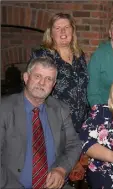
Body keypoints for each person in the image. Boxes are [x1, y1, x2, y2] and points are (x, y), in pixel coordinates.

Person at [0, 57, 82, 189]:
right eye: (37, 76)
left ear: (53, 84)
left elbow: (74, 144)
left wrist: (61, 169)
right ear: (26, 78)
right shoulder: (4, 109)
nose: (42, 83)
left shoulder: (60, 109)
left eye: (48, 79)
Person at [29, 13, 89, 133]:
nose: (63, 31)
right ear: (51, 33)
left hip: (81, 123)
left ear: (72, 31)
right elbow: (32, 90)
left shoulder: (79, 55)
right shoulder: (43, 56)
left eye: (67, 27)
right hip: (54, 123)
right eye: (57, 28)